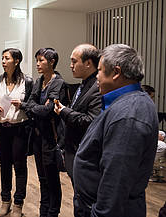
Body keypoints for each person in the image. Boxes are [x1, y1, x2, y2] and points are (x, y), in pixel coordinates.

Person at [73, 44, 159, 217]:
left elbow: (116, 179)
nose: (96, 76)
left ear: (116, 72)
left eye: (99, 70)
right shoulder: (125, 103)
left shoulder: (129, 115)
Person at [0, 48, 33, 217]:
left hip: (19, 129)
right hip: (2, 128)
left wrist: (21, 105)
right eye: (2, 58)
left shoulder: (27, 82)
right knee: (4, 165)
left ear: (16, 61)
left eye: (6, 58)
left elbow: (32, 104)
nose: (3, 61)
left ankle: (18, 204)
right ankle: (5, 201)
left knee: (20, 166)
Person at [26, 48, 66, 217]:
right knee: (42, 178)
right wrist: (35, 107)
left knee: (52, 179)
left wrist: (34, 107)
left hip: (51, 137)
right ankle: (44, 212)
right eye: (37, 60)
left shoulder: (58, 83)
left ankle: (52, 212)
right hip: (37, 135)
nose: (38, 64)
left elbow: (48, 110)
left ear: (52, 62)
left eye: (41, 60)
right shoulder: (39, 81)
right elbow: (30, 103)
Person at [54, 44, 101, 183]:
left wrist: (64, 111)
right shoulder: (84, 84)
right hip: (73, 152)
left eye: (74, 61)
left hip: (86, 155)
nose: (70, 65)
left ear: (88, 63)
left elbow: (91, 121)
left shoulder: (96, 87)